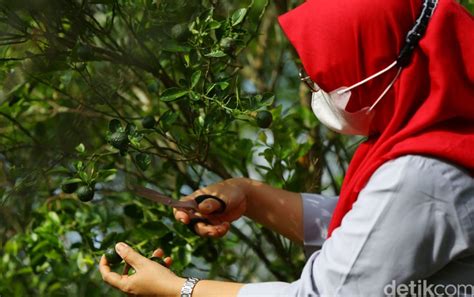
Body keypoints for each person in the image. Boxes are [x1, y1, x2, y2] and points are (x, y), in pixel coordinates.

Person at [99, 0, 474, 296]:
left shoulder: (423, 174)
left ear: (380, 68)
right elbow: (373, 233)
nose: (316, 88)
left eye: (324, 75)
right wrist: (251, 195)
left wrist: (179, 289)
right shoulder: (450, 141)